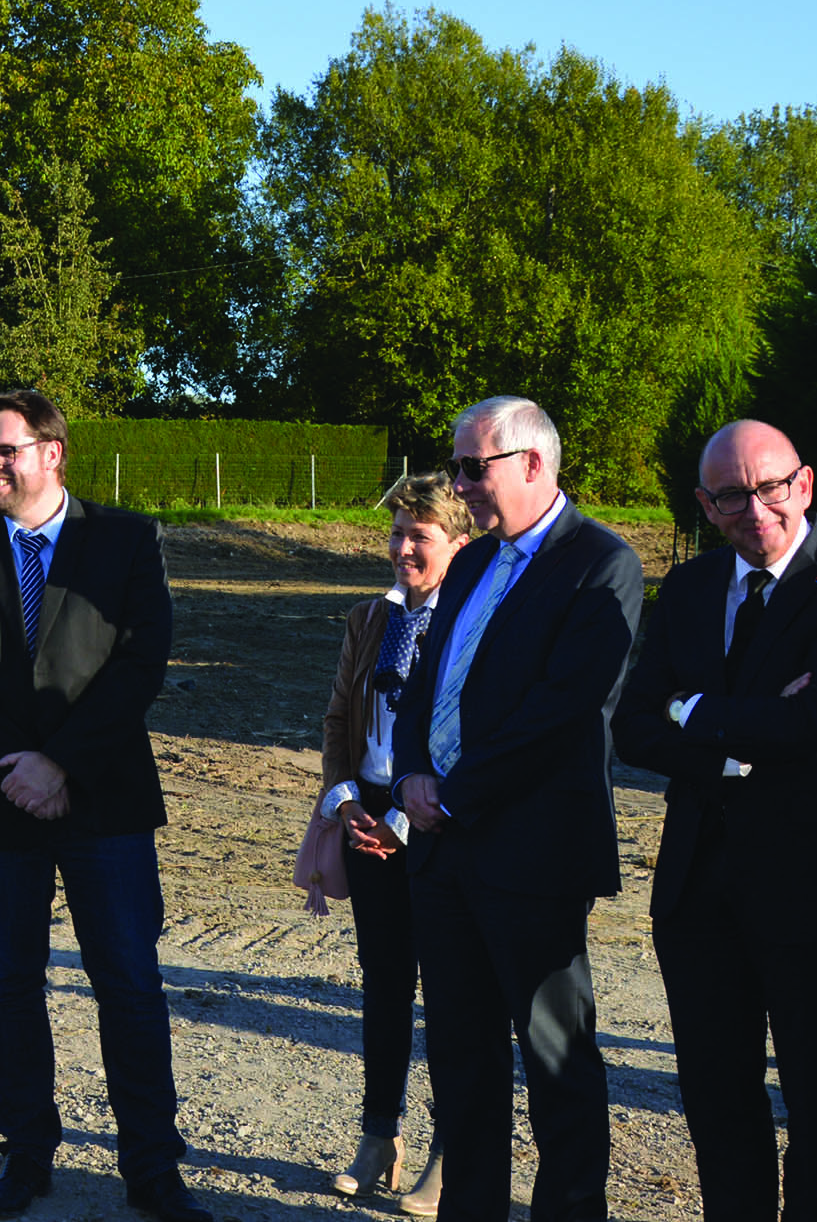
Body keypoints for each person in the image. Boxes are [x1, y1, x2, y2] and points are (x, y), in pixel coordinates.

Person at [613, 420, 817, 1222]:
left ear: (803, 484)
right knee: (715, 1098)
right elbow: (633, 727)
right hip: (697, 888)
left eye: (771, 486)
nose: (756, 507)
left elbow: (814, 720)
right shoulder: (694, 588)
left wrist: (691, 710)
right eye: (732, 495)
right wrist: (735, 733)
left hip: (811, 889)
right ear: (707, 505)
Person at [0, 390, 204, 1222]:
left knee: (127, 982)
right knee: (9, 985)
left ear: (53, 453)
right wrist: (16, 766)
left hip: (104, 799)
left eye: (3, 450)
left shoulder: (124, 540)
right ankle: (25, 1154)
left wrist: (61, 764)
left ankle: (153, 1168)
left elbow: (140, 662)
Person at [374, 396, 640, 1222]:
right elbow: (423, 685)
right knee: (460, 1056)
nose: (458, 483)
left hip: (530, 851)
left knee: (555, 1061)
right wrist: (412, 773)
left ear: (532, 463)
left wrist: (452, 792)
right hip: (444, 851)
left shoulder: (602, 563)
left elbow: (563, 710)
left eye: (470, 466)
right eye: (454, 465)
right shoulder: (476, 562)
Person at [300, 475, 469, 1212]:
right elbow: (339, 718)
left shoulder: (470, 625)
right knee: (384, 984)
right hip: (364, 816)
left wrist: (402, 821)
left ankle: (453, 1147)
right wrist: (345, 804)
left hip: (436, 826)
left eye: (419, 536)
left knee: (454, 996)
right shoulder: (370, 617)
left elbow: (465, 737)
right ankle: (379, 1135)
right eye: (397, 533)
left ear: (459, 545)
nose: (402, 548)